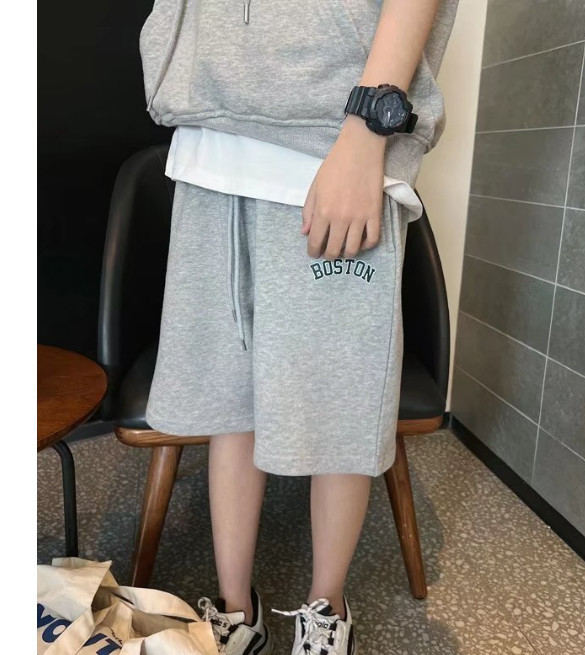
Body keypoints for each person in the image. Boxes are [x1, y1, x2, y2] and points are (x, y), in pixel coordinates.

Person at [139, 0, 459, 653]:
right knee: (228, 399)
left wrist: (366, 130)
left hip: (331, 143)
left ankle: (326, 609)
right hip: (208, 136)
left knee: (338, 402)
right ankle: (237, 611)